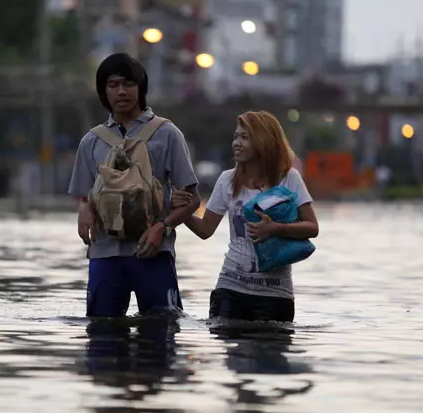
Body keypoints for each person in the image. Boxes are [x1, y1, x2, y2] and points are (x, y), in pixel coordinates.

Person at [68, 53, 200, 317]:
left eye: (128, 84)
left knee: (160, 335)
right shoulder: (91, 141)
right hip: (105, 254)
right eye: (113, 85)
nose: (121, 91)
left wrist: (162, 227)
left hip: (154, 251)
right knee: (102, 338)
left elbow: (193, 199)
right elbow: (83, 195)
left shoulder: (167, 134)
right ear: (104, 92)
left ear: (141, 89)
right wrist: (85, 208)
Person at [171, 111, 319, 323]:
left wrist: (275, 228)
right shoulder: (227, 180)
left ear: (264, 142)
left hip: (275, 295)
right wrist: (183, 211)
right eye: (236, 137)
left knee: (269, 355)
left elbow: (312, 227)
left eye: (245, 137)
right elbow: (205, 230)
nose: (236, 143)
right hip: (230, 288)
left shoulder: (289, 178)